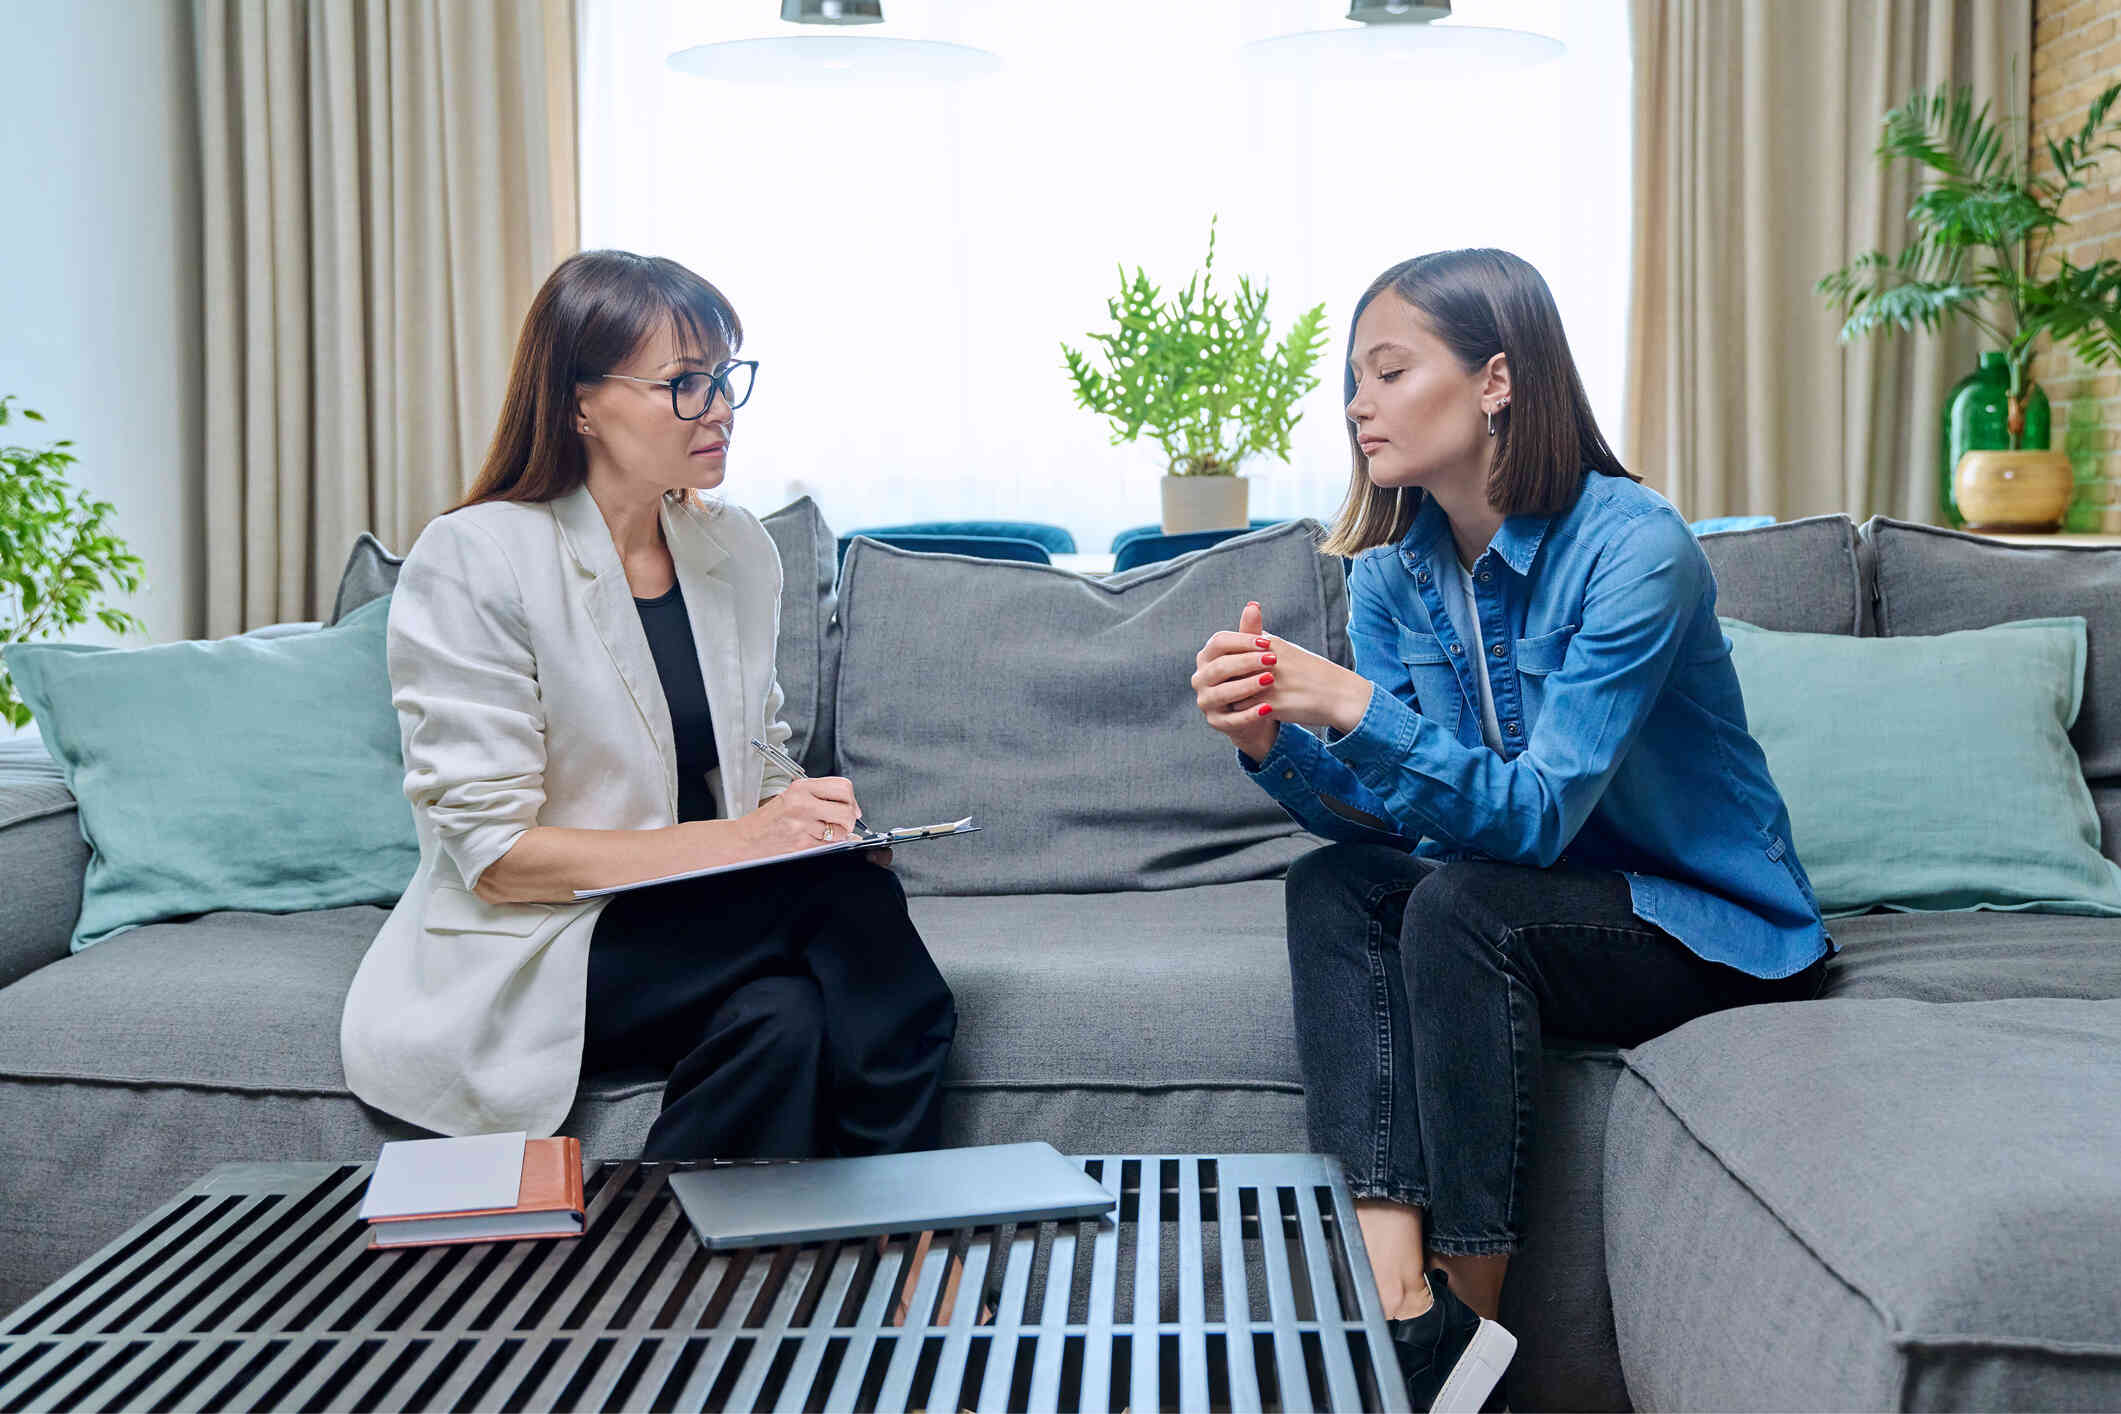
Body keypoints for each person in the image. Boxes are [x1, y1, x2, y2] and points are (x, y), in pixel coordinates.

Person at [1190, 249, 1833, 1413]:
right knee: (1335, 885)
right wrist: (1268, 740)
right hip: (1520, 908)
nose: (1356, 403)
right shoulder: (1392, 578)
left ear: (1496, 380)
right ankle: (1398, 1305)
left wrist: (1349, 702)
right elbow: (1398, 816)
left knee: (1464, 904)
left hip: (1703, 926)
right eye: (1352, 378)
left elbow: (1533, 818)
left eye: (1390, 371)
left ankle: (1470, 1331)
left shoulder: (1636, 549)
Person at [340, 249, 957, 1168]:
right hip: (538, 949)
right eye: (683, 383)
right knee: (846, 900)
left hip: (692, 926)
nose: (719, 408)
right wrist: (760, 844)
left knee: (781, 1017)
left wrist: (810, 818)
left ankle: (654, 1286)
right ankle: (910, 1223)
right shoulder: (477, 556)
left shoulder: (736, 549)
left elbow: (754, 759)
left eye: (724, 376)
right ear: (581, 403)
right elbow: (499, 861)